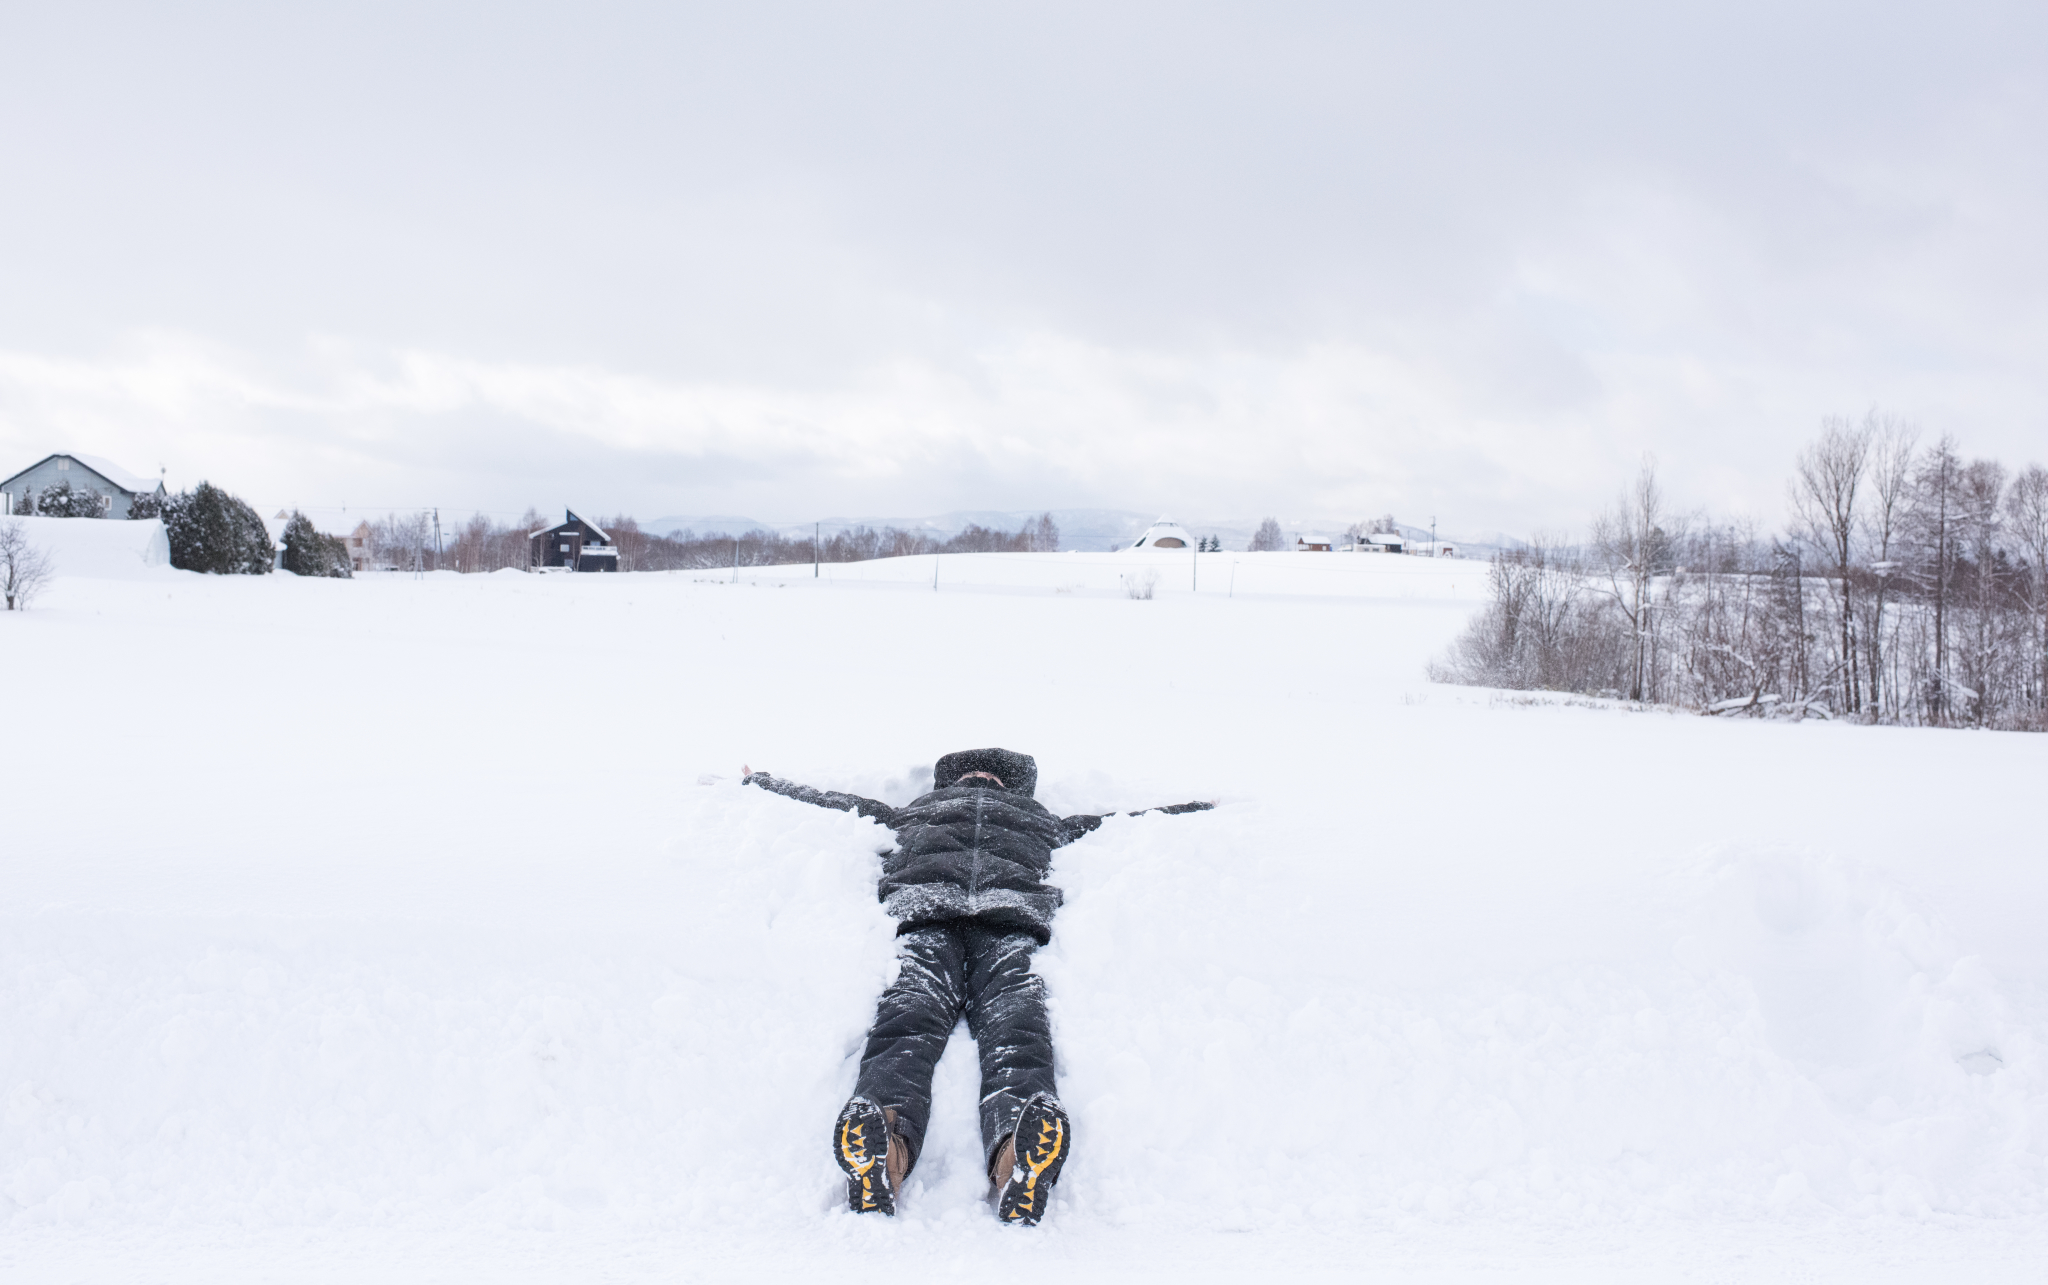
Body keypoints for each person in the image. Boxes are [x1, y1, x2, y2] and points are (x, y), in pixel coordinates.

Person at [741, 748, 1213, 1224]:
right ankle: (883, 1150)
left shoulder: (1042, 820)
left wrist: (1204, 810)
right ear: (949, 781)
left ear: (1013, 786)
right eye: (972, 768)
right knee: (908, 1016)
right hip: (927, 912)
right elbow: (840, 804)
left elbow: (1123, 823)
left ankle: (1018, 1158)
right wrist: (762, 781)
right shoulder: (913, 813)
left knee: (1017, 1024)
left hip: (1009, 921)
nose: (980, 774)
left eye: (992, 771)